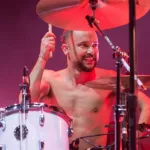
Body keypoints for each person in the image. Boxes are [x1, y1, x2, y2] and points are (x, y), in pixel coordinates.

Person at [21, 30, 150, 150]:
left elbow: (147, 105)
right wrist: (42, 58)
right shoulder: (51, 79)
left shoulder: (111, 79)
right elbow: (25, 101)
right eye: (84, 45)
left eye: (95, 45)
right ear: (66, 49)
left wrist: (135, 137)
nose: (91, 51)